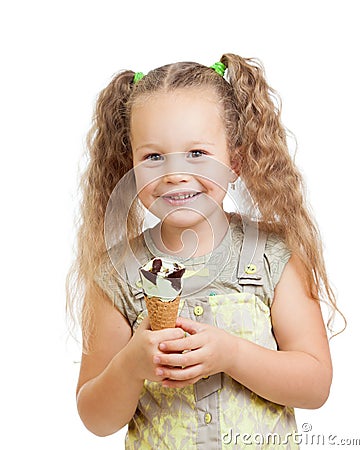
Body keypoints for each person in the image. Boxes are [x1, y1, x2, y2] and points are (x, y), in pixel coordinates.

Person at [66, 53, 342, 449]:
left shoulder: (272, 257)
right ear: (129, 166)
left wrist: (231, 355)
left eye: (197, 153)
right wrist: (130, 366)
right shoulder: (118, 274)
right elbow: (96, 419)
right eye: (153, 157)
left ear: (236, 161)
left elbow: (315, 386)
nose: (175, 173)